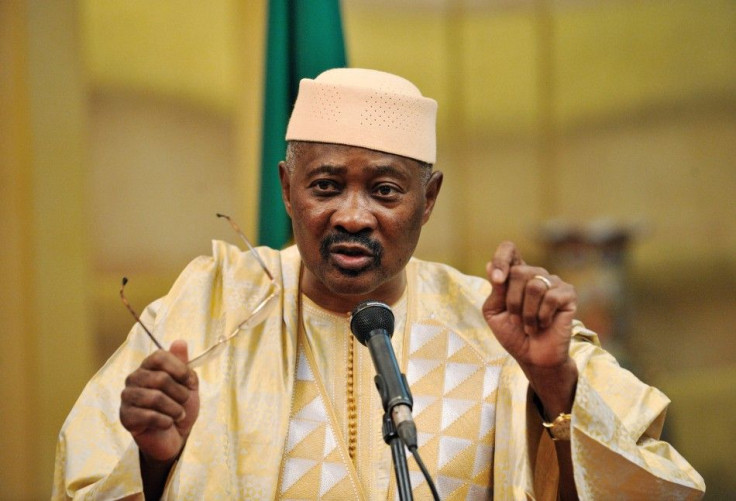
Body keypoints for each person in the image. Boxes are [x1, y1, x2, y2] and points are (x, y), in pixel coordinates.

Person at [53, 68, 705, 500]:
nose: (353, 215)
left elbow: (661, 486)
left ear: (429, 198)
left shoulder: (501, 324)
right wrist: (155, 460)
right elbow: (82, 479)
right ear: (286, 187)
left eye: (386, 190)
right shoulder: (208, 310)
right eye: (327, 185)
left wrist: (553, 384)